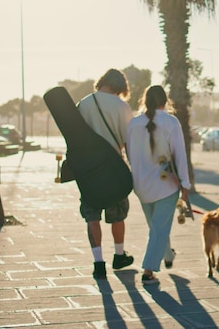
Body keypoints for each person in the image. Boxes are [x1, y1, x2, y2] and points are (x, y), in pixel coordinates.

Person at [126, 85, 191, 285]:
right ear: (165, 101)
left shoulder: (134, 123)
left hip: (141, 186)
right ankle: (148, 271)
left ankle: (168, 255)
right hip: (166, 185)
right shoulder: (171, 122)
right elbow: (180, 154)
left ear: (144, 100)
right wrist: (185, 186)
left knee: (156, 227)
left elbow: (129, 154)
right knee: (159, 229)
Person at [77, 68, 134, 280]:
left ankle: (98, 263)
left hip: (88, 169)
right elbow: (129, 141)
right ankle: (119, 255)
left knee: (92, 216)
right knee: (117, 214)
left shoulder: (83, 103)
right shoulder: (122, 106)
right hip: (113, 168)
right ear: (120, 87)